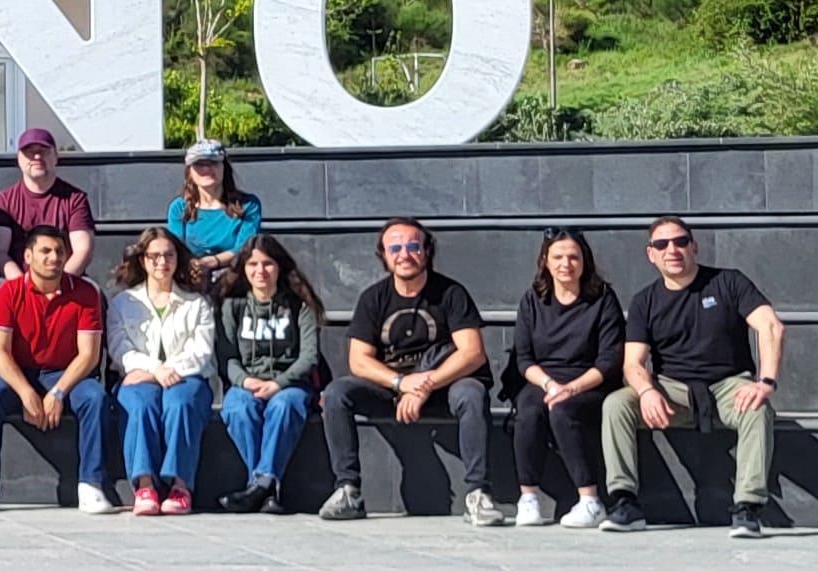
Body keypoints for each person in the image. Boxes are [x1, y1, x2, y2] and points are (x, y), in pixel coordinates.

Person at [604, 217, 786, 538]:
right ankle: (625, 502)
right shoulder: (645, 301)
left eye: (680, 242)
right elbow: (632, 363)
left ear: (694, 246)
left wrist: (766, 382)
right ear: (651, 254)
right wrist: (647, 391)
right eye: (662, 244)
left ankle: (747, 507)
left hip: (729, 384)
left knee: (757, 409)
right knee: (616, 404)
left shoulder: (728, 282)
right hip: (672, 390)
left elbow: (770, 326)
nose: (672, 250)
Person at [319, 217, 497, 526]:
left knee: (472, 392)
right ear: (384, 255)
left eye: (413, 246)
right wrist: (401, 382)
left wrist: (425, 385)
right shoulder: (374, 298)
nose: (404, 254)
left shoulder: (451, 293)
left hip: (444, 385)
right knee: (336, 393)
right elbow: (358, 360)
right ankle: (348, 490)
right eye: (395, 248)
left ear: (427, 251)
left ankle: (477, 494)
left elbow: (472, 352)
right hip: (393, 388)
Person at [0, 224, 108, 514]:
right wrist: (26, 392)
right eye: (45, 251)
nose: (54, 257)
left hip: (66, 372)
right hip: (19, 371)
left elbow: (89, 355)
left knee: (95, 398)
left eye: (59, 251)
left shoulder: (85, 292)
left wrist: (57, 392)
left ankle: (91, 485)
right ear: (28, 256)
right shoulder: (8, 292)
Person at [511, 228, 626, 531]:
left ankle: (590, 501)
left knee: (562, 409)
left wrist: (571, 388)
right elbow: (524, 359)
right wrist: (550, 385)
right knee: (528, 409)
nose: (566, 264)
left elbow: (609, 360)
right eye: (558, 257)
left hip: (590, 382)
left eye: (573, 257)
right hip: (544, 380)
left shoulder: (602, 299)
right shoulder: (533, 300)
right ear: (545, 261)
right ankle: (528, 497)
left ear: (584, 261)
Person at [106, 227, 216, 516]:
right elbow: (120, 349)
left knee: (180, 403)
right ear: (143, 260)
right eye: (154, 256)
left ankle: (180, 487)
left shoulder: (196, 303)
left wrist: (167, 372)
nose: (162, 262)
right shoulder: (122, 304)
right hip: (137, 377)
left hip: (187, 377)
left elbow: (201, 352)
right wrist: (156, 370)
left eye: (168, 255)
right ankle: (145, 486)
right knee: (140, 404)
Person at [212, 235, 326, 514]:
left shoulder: (300, 305)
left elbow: (309, 357)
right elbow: (226, 357)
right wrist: (245, 381)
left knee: (285, 406)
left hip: (290, 383)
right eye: (253, 264)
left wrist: (278, 383)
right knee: (239, 408)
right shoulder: (232, 305)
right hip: (246, 381)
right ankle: (266, 487)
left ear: (280, 267)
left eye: (268, 264)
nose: (260, 271)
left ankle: (257, 486)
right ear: (243, 269)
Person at [0, 129, 93, 281]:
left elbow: (83, 250)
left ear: (56, 157)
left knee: (93, 291)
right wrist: (23, 285)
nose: (37, 156)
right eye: (29, 151)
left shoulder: (75, 199)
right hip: (16, 280)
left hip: (67, 279)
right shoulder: (5, 200)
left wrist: (56, 284)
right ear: (19, 158)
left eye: (43, 150)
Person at [164, 140, 265, 296]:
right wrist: (196, 266)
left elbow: (244, 249)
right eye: (199, 164)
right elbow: (175, 247)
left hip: (235, 282)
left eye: (213, 163)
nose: (206, 169)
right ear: (190, 171)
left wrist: (213, 261)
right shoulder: (178, 208)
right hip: (190, 279)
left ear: (224, 166)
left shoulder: (248, 205)